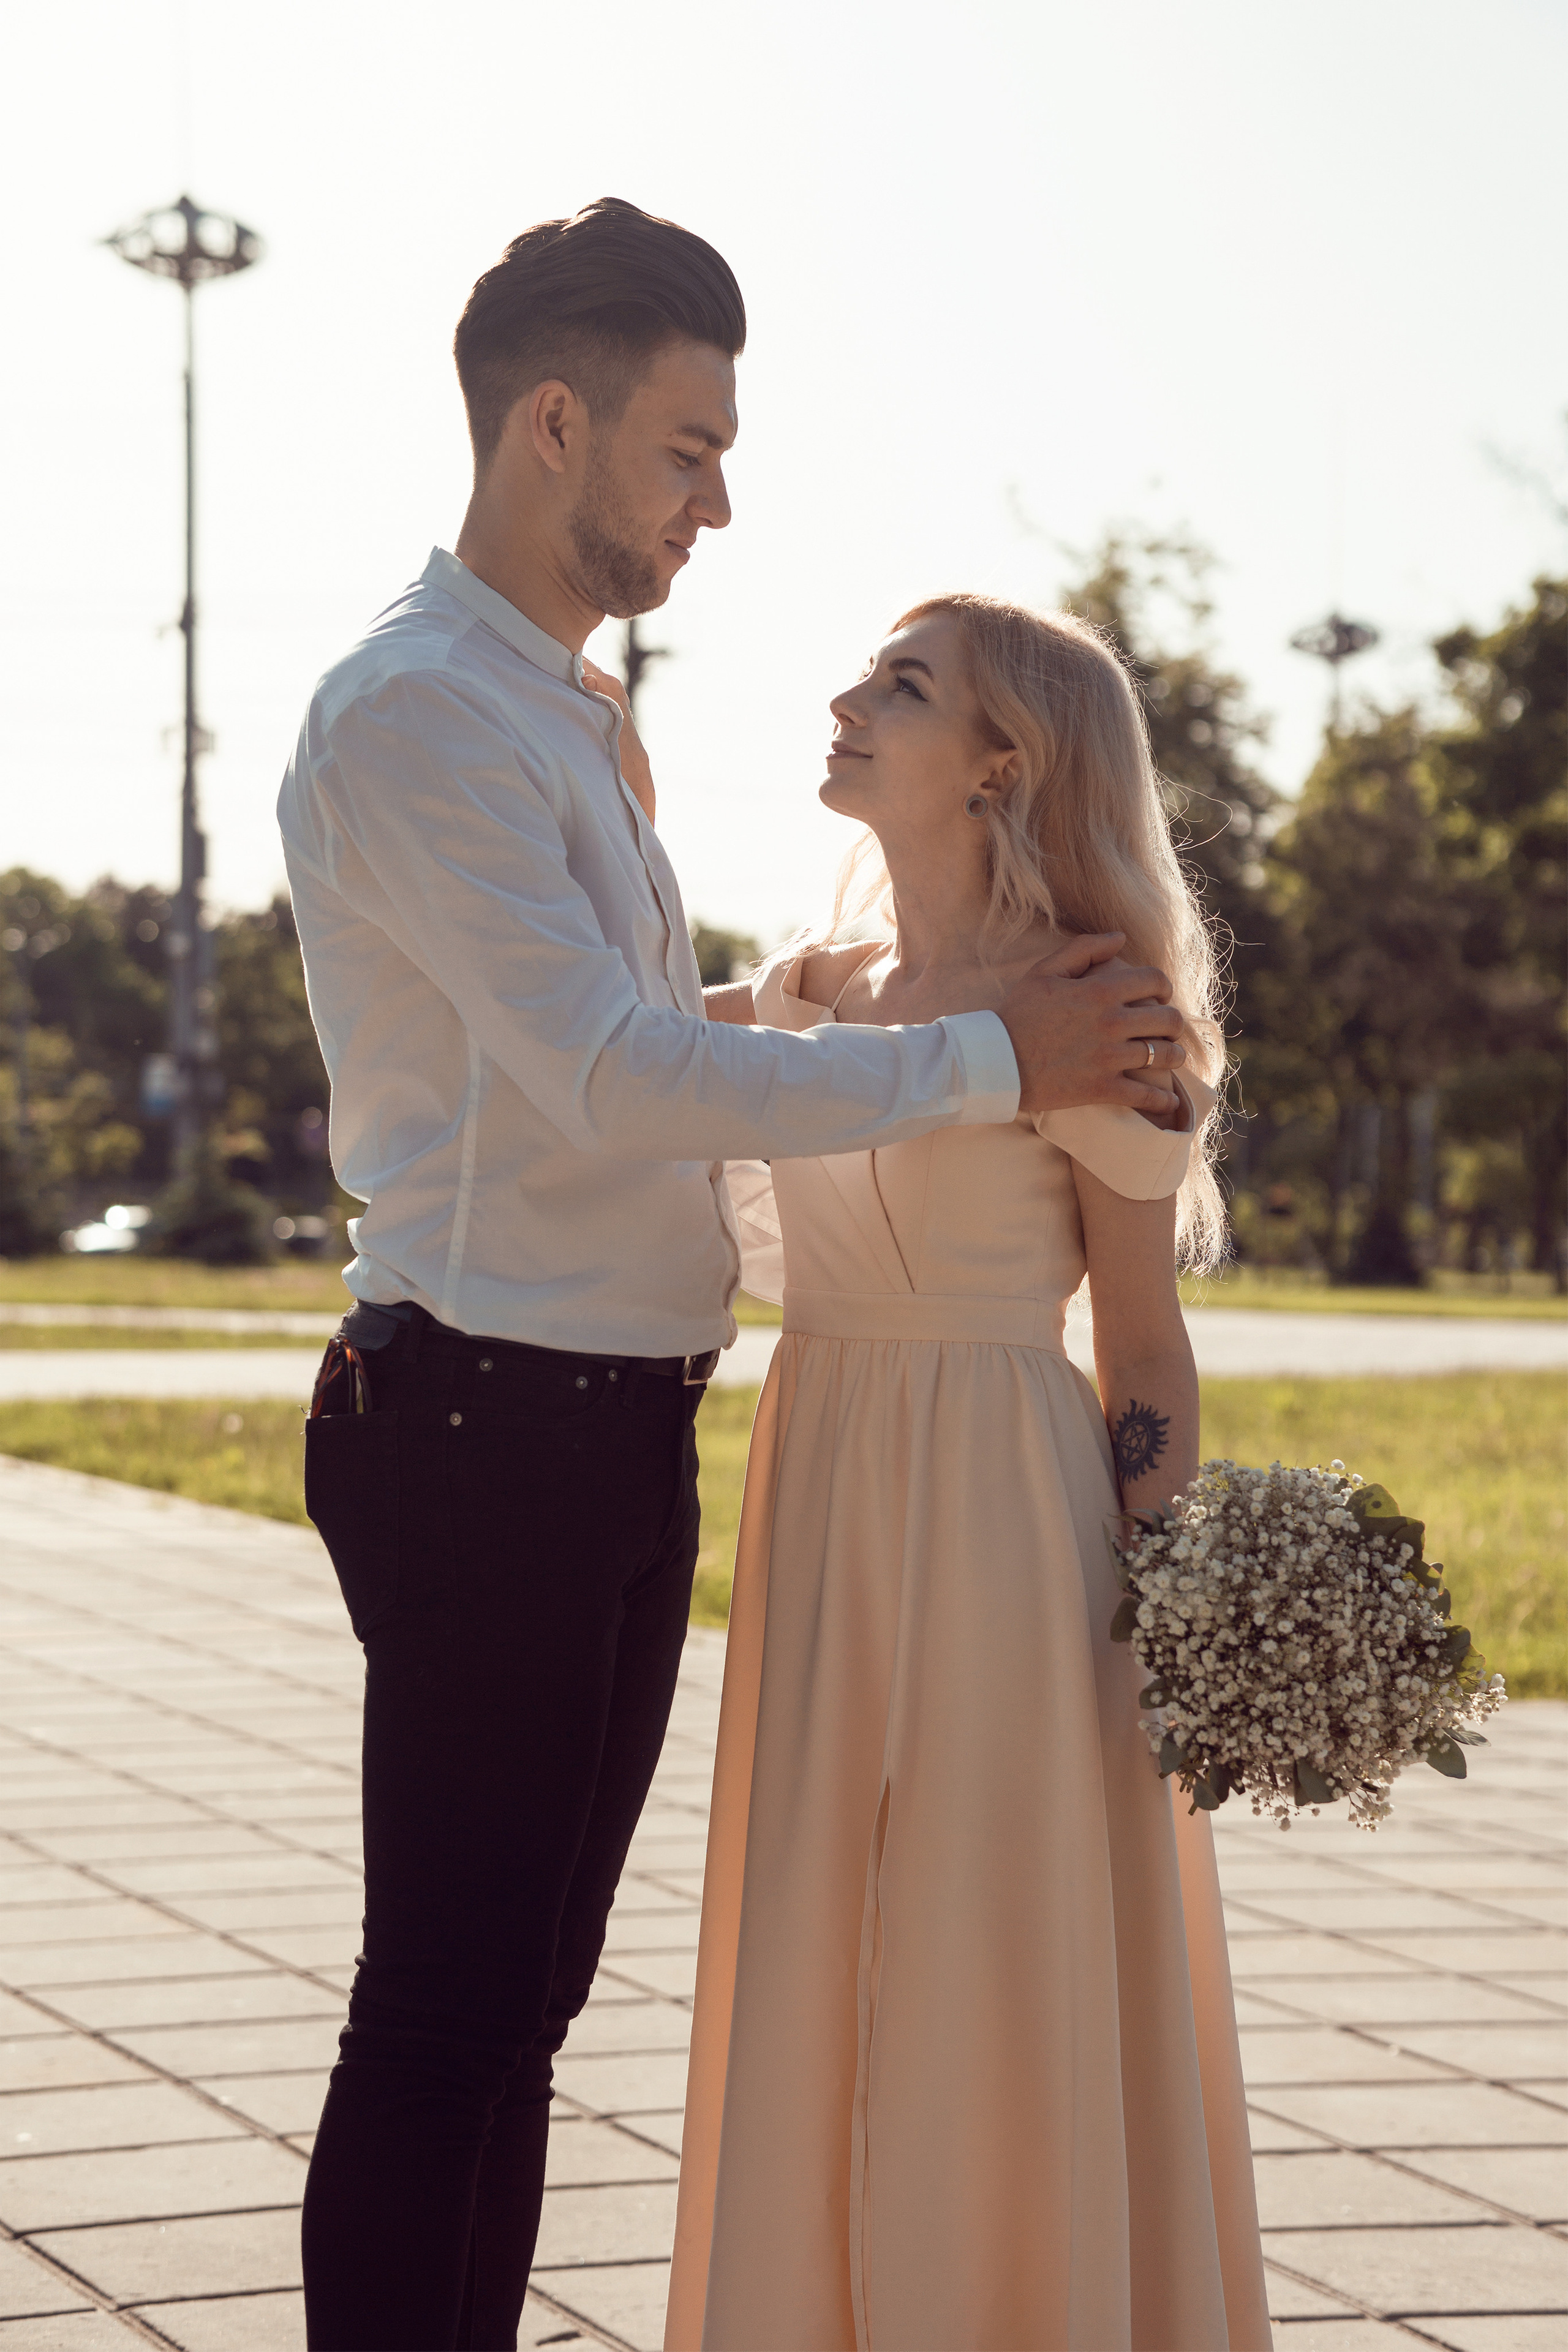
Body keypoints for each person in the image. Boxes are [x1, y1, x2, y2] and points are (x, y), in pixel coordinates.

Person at [277, 199, 1191, 2352]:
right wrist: (989, 1053)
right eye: (690, 449)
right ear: (554, 428)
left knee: (516, 2020)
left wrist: (839, 999)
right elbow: (607, 1074)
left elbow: (654, 1023)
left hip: (602, 1436)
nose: (718, 500)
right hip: (486, 1421)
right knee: (446, 2020)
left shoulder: (565, 717)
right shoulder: (421, 717)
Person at [667, 597, 1272, 2351]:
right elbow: (611, 1040)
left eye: (903, 688)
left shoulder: (1099, 1006)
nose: (846, 700)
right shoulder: (823, 988)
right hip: (823, 1480)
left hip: (1011, 1523)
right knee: (821, 1941)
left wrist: (1179, 1614)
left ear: (1003, 765)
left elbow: (1144, 1350)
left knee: (982, 1953)